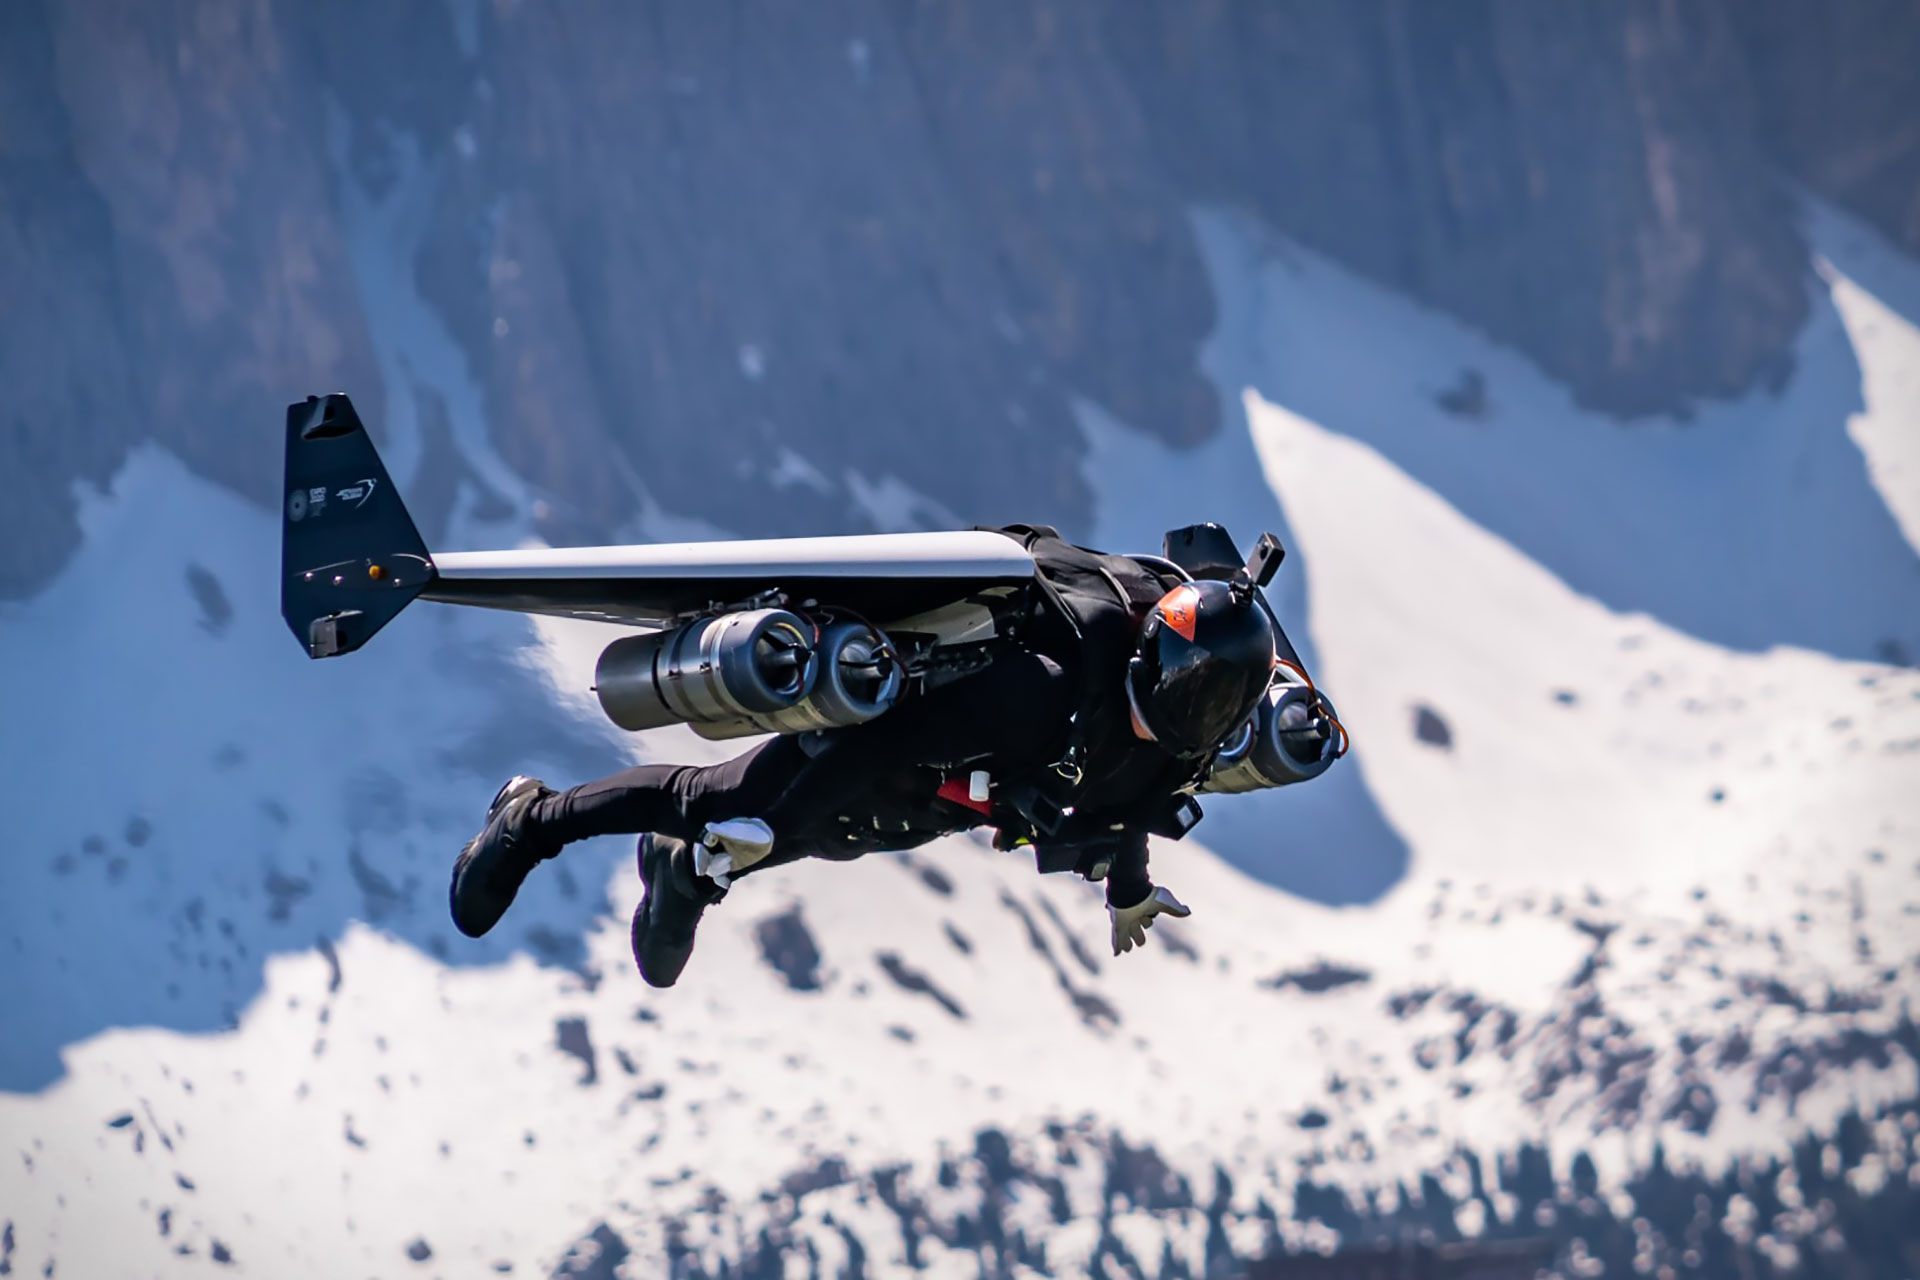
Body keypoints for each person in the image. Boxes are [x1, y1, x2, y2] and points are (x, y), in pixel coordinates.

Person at [448, 526, 1284, 987]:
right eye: (1190, 692)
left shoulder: (1187, 742)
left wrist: (1129, 890)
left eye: (1217, 706)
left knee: (821, 837)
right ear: (1151, 658)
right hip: (907, 735)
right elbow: (888, 741)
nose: (1190, 717)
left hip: (941, 802)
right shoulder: (1042, 686)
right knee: (716, 807)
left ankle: (683, 874)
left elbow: (1128, 800)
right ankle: (531, 820)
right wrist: (772, 828)